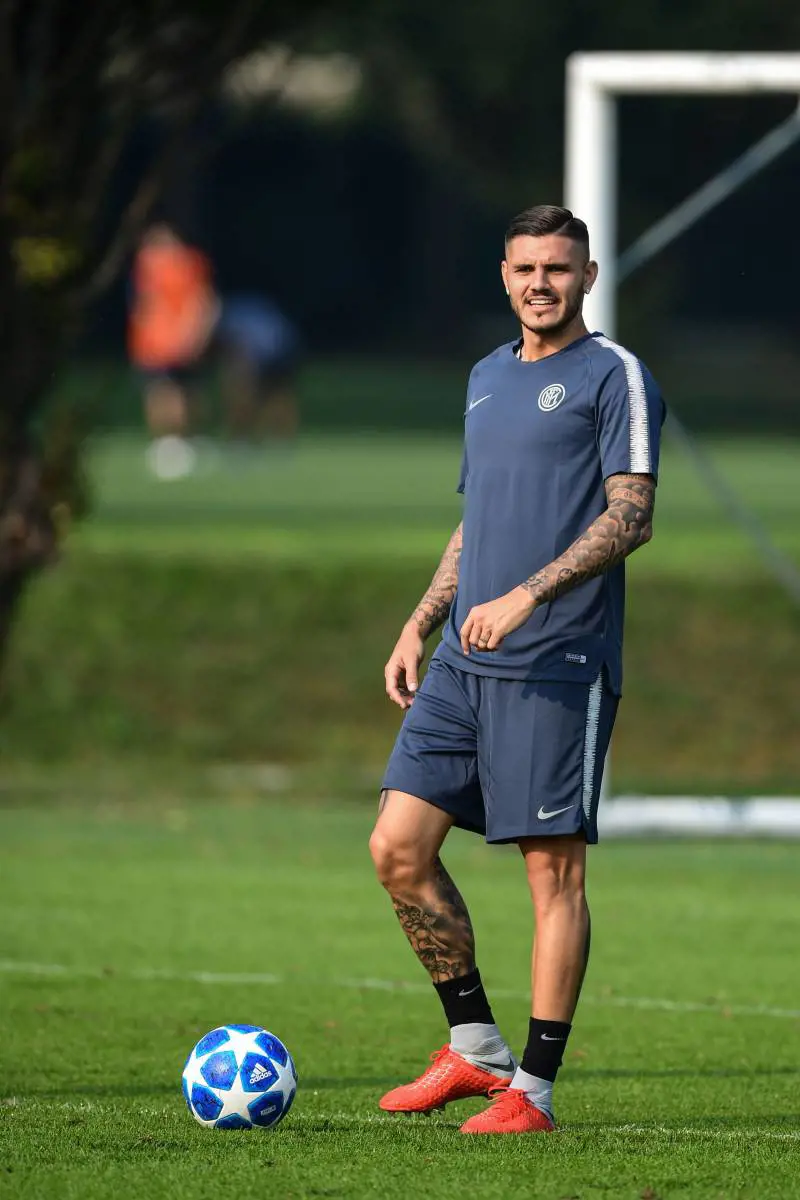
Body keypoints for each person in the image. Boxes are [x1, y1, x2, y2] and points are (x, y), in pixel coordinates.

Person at [369, 205, 665, 1135]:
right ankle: (474, 1047)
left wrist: (529, 595)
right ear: (504, 276)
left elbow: (632, 515)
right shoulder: (486, 376)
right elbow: (478, 519)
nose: (542, 283)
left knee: (553, 879)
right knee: (397, 848)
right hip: (464, 661)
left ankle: (531, 1092)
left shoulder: (616, 375)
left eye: (559, 268)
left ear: (587, 277)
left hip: (557, 661)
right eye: (526, 268)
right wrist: (422, 620)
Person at [127, 223, 218, 477]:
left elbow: (201, 301)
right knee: (162, 391)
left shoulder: (186, 263)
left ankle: (180, 440)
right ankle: (169, 442)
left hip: (175, 340)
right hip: (153, 342)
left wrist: (194, 333)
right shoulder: (147, 264)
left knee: (179, 392)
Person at [214, 294, 302, 445]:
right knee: (277, 396)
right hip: (281, 352)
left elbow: (237, 350)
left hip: (270, 353)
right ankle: (276, 439)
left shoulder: (231, 317)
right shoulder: (249, 310)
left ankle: (243, 438)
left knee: (247, 395)